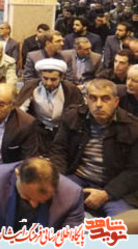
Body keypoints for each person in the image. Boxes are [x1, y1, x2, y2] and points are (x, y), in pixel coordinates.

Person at [50, 79, 138, 216]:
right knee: (48, 206)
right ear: (86, 100)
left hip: (114, 187)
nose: (98, 104)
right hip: (77, 178)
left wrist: (106, 194)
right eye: (93, 98)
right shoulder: (73, 117)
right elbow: (58, 151)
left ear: (116, 102)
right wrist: (59, 180)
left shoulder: (132, 127)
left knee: (123, 224)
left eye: (105, 99)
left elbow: (134, 171)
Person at [0, 158, 84, 231]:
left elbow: (70, 241)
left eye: (42, 201)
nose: (34, 205)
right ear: (17, 175)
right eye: (27, 197)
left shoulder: (72, 195)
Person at [16, 58, 83, 151]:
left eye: (53, 79)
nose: (49, 83)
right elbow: (20, 112)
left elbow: (78, 115)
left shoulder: (71, 90)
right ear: (40, 76)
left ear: (61, 78)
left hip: (62, 134)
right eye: (45, 78)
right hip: (37, 134)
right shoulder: (31, 87)